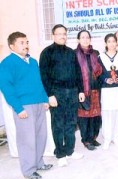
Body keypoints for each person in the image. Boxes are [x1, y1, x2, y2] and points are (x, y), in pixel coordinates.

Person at [0, 32, 52, 179]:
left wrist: (44, 99)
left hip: (39, 104)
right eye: (22, 42)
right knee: (27, 139)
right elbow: (6, 87)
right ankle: (29, 170)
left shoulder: (33, 61)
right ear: (12, 46)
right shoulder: (7, 63)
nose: (26, 45)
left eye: (27, 42)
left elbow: (39, 82)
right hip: (24, 106)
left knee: (40, 135)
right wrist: (18, 108)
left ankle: (39, 162)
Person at [39, 24, 85, 167]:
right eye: (59, 34)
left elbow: (78, 73)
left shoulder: (71, 52)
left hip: (72, 92)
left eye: (64, 33)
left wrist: (81, 90)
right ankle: (60, 153)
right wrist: (49, 95)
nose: (62, 36)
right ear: (53, 36)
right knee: (58, 124)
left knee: (71, 122)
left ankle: (70, 150)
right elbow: (43, 76)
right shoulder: (47, 52)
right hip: (56, 92)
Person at [75, 30, 102, 151]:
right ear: (78, 40)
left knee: (95, 116)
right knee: (84, 117)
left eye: (87, 37)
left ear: (90, 39)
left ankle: (93, 137)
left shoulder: (95, 53)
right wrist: (79, 90)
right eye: (83, 37)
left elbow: (99, 71)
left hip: (96, 89)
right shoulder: (74, 54)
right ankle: (86, 140)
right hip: (83, 90)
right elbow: (74, 74)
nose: (85, 39)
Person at [98, 33, 118, 150]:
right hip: (106, 90)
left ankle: (116, 136)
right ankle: (107, 138)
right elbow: (98, 73)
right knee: (107, 114)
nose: (112, 43)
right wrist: (105, 79)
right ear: (106, 43)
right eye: (109, 41)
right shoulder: (100, 57)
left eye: (113, 41)